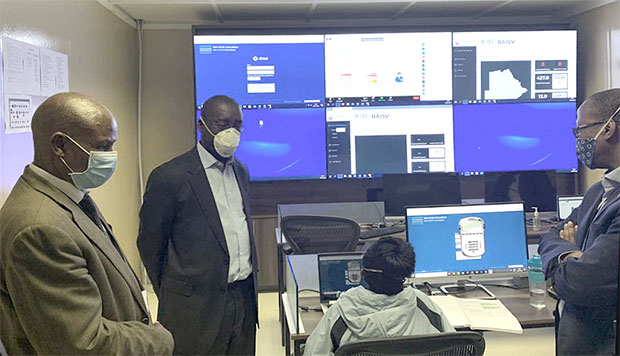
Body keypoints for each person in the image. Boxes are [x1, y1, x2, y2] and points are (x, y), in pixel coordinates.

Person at [0, 92, 174, 355]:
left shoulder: (67, 194)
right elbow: (82, 344)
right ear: (60, 145)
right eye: (103, 147)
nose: (111, 156)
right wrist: (157, 340)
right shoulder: (39, 229)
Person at [138, 95, 258, 355]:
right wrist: (177, 293)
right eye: (222, 123)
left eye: (237, 125)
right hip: (194, 308)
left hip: (243, 299)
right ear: (201, 125)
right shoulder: (169, 177)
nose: (231, 132)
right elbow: (150, 245)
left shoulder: (241, 172)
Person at [538, 88, 620, 355]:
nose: (578, 139)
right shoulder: (599, 191)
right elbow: (550, 237)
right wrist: (570, 255)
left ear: (607, 129)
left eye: (580, 130)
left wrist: (567, 263)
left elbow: (581, 283)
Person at [303, 237, 455, 356]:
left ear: (363, 273)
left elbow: (313, 352)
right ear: (405, 276)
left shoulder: (340, 313)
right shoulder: (423, 304)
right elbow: (457, 346)